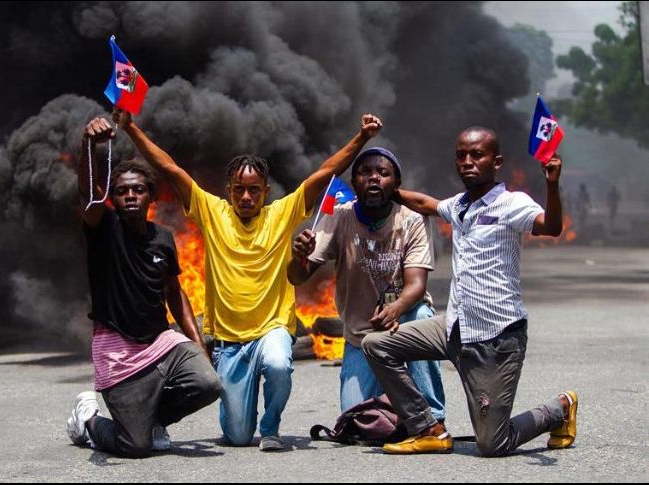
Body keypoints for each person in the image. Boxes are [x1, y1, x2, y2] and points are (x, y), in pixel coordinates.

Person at [112, 108, 382, 451]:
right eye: (239, 189)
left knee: (278, 363)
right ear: (229, 189)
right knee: (237, 436)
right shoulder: (212, 212)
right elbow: (169, 169)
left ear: (265, 191)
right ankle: (244, 413)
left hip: (272, 330)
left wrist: (362, 138)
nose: (246, 197)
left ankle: (271, 426)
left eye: (254, 190)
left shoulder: (282, 213)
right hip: (229, 341)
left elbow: (326, 172)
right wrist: (132, 128)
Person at [362, 127, 577, 457]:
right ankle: (428, 428)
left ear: (497, 161)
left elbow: (551, 226)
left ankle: (559, 409)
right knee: (376, 345)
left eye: (477, 155)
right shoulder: (459, 206)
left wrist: (551, 184)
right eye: (461, 155)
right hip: (454, 327)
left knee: (492, 444)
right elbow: (425, 204)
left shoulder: (511, 204)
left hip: (496, 338)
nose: (467, 161)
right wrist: (389, 190)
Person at [65, 117, 222, 458]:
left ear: (151, 194)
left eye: (138, 189)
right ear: (114, 199)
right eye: (121, 191)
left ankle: (152, 420)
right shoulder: (102, 228)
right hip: (119, 352)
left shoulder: (163, 238)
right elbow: (87, 196)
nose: (130, 196)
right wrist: (88, 146)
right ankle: (90, 420)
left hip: (161, 342)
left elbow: (174, 293)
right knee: (134, 447)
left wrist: (197, 346)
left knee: (208, 383)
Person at [286, 147, 446, 418]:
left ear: (396, 185)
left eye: (383, 173)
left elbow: (416, 285)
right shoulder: (339, 216)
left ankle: (433, 418)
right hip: (361, 334)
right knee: (355, 419)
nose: (373, 178)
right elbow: (297, 277)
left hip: (404, 321)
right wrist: (298, 257)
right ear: (354, 183)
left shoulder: (412, 220)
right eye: (365, 172)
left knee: (421, 316)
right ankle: (394, 403)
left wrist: (394, 310)